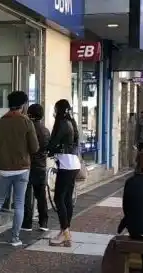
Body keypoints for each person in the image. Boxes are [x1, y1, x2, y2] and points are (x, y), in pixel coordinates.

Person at [0, 91, 39, 247]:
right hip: (22, 169)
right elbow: (35, 148)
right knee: (19, 203)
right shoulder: (27, 123)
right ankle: (15, 238)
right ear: (23, 105)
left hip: (4, 169)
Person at [48, 99, 81, 247]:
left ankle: (65, 232)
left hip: (66, 165)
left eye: (56, 109)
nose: (54, 112)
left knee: (59, 198)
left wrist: (48, 149)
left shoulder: (62, 123)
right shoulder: (71, 122)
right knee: (67, 198)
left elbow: (53, 142)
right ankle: (65, 231)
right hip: (73, 164)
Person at [22, 103, 51, 232]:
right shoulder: (45, 131)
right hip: (41, 166)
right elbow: (48, 148)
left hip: (27, 166)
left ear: (29, 114)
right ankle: (43, 222)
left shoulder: (26, 129)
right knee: (41, 196)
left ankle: (27, 223)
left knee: (27, 196)